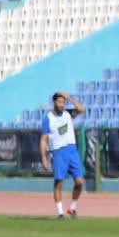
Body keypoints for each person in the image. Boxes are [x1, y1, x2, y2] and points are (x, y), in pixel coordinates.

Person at [39, 91, 86, 219]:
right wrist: (44, 158)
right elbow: (43, 139)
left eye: (63, 102)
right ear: (54, 102)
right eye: (59, 102)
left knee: (80, 182)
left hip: (72, 150)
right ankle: (60, 213)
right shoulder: (48, 118)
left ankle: (72, 207)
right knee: (59, 182)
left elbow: (81, 109)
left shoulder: (68, 114)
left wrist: (69, 97)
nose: (62, 104)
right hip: (59, 151)